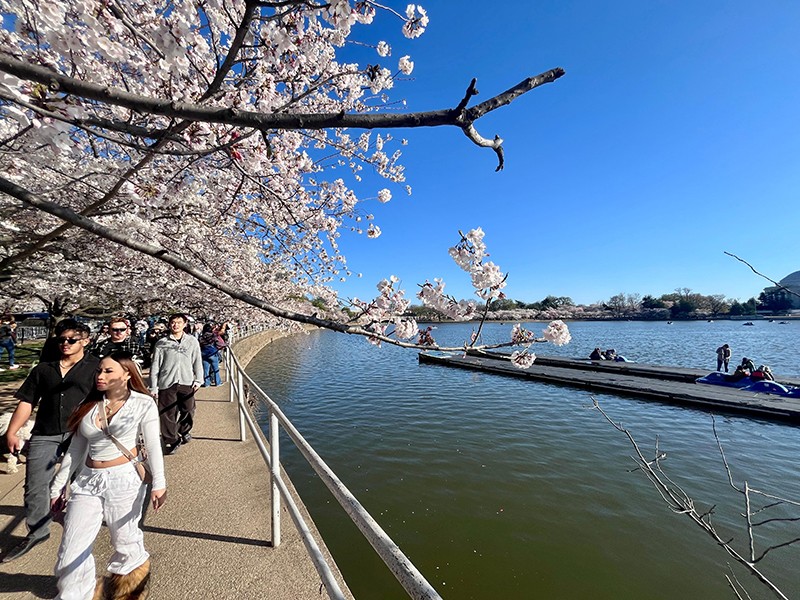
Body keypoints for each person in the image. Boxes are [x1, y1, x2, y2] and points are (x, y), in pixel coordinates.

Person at [50, 351, 166, 599]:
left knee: (125, 540)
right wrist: (58, 486)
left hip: (124, 479)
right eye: (99, 371)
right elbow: (75, 449)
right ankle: (75, 593)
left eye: (108, 371)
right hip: (87, 481)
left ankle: (128, 591)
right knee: (72, 545)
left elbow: (154, 445)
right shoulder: (89, 404)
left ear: (126, 374)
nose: (100, 376)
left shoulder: (143, 403)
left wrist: (159, 483)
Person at [1, 321, 98, 563]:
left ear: (85, 340)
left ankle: (80, 528)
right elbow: (27, 401)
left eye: (71, 339)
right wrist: (12, 431)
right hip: (46, 431)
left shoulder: (96, 367)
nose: (65, 343)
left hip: (81, 433)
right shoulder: (43, 369)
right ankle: (38, 530)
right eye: (61, 340)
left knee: (81, 483)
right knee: (35, 483)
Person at [149, 313, 203, 454]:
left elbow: (197, 360)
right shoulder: (162, 343)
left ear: (185, 324)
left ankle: (183, 430)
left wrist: (199, 380)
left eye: (179, 322)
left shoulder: (192, 341)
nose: (175, 325)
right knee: (167, 413)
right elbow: (155, 365)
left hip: (186, 380)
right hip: (167, 381)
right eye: (173, 322)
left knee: (189, 409)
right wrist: (153, 385)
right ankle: (171, 440)